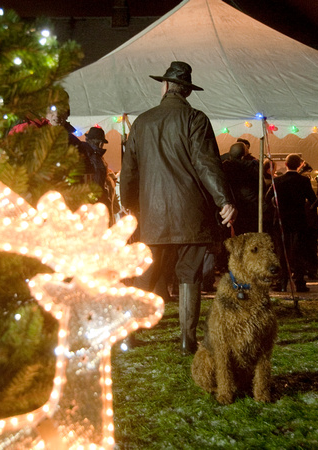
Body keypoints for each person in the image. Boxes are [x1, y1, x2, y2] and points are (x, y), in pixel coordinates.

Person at [120, 61, 236, 355]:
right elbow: (207, 164)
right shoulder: (195, 119)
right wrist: (224, 200)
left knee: (144, 277)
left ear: (166, 86)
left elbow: (129, 171)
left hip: (152, 216)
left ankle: (129, 335)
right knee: (189, 277)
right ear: (186, 91)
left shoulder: (143, 121)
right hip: (191, 215)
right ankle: (187, 340)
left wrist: (129, 207)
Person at [265, 153, 317, 292]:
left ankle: (281, 283)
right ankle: (299, 283)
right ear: (300, 164)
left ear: (286, 165)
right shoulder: (304, 181)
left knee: (281, 253)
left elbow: (266, 198)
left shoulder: (278, 181)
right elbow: (313, 200)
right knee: (298, 253)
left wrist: (276, 205)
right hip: (299, 221)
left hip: (281, 221)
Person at [221, 142, 259, 235]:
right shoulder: (252, 166)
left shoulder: (223, 167)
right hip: (250, 207)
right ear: (243, 156)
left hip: (231, 204)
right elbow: (259, 185)